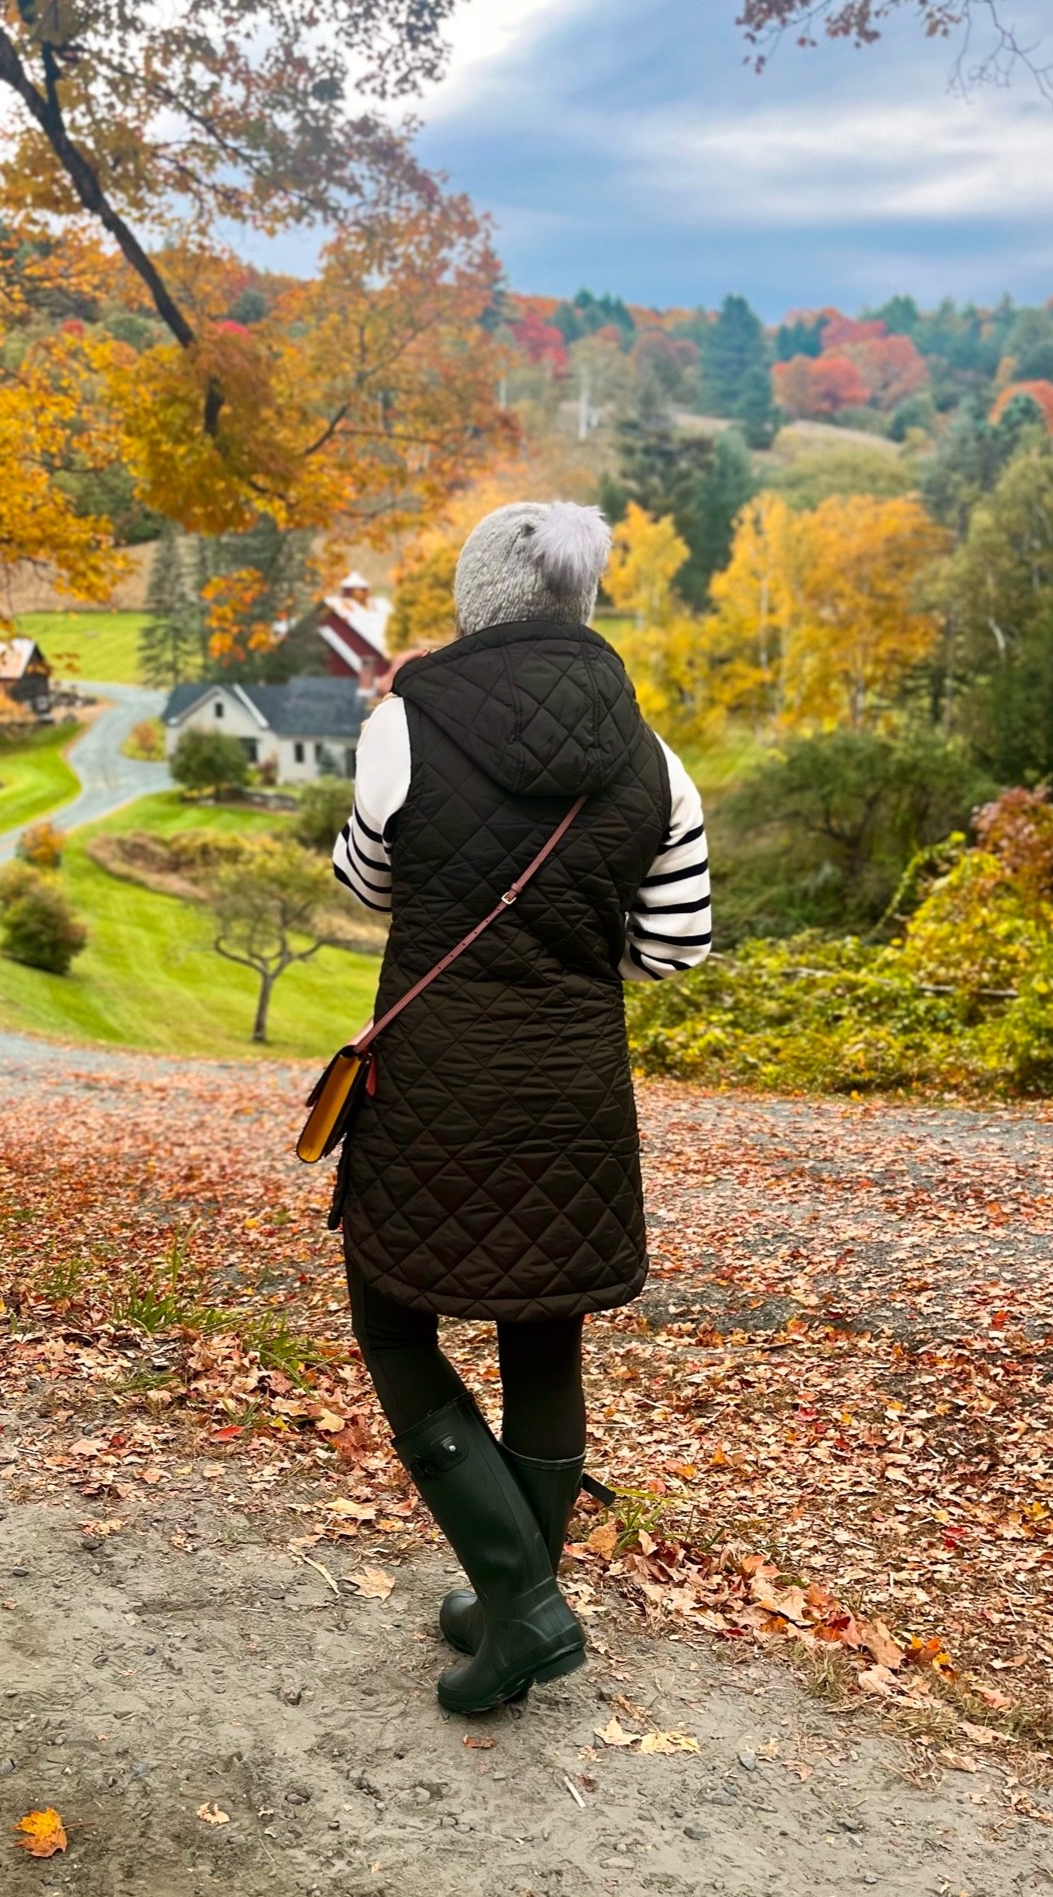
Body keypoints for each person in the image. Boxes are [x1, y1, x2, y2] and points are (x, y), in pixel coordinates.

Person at [329, 501, 711, 1715]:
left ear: (474, 599)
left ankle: (524, 1603)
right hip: (573, 1090)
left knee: (395, 1322)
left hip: (434, 1086)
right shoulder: (656, 757)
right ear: (578, 601)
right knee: (546, 1333)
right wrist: (574, 943)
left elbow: (366, 883)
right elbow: (675, 946)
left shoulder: (404, 722)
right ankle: (515, 1594)